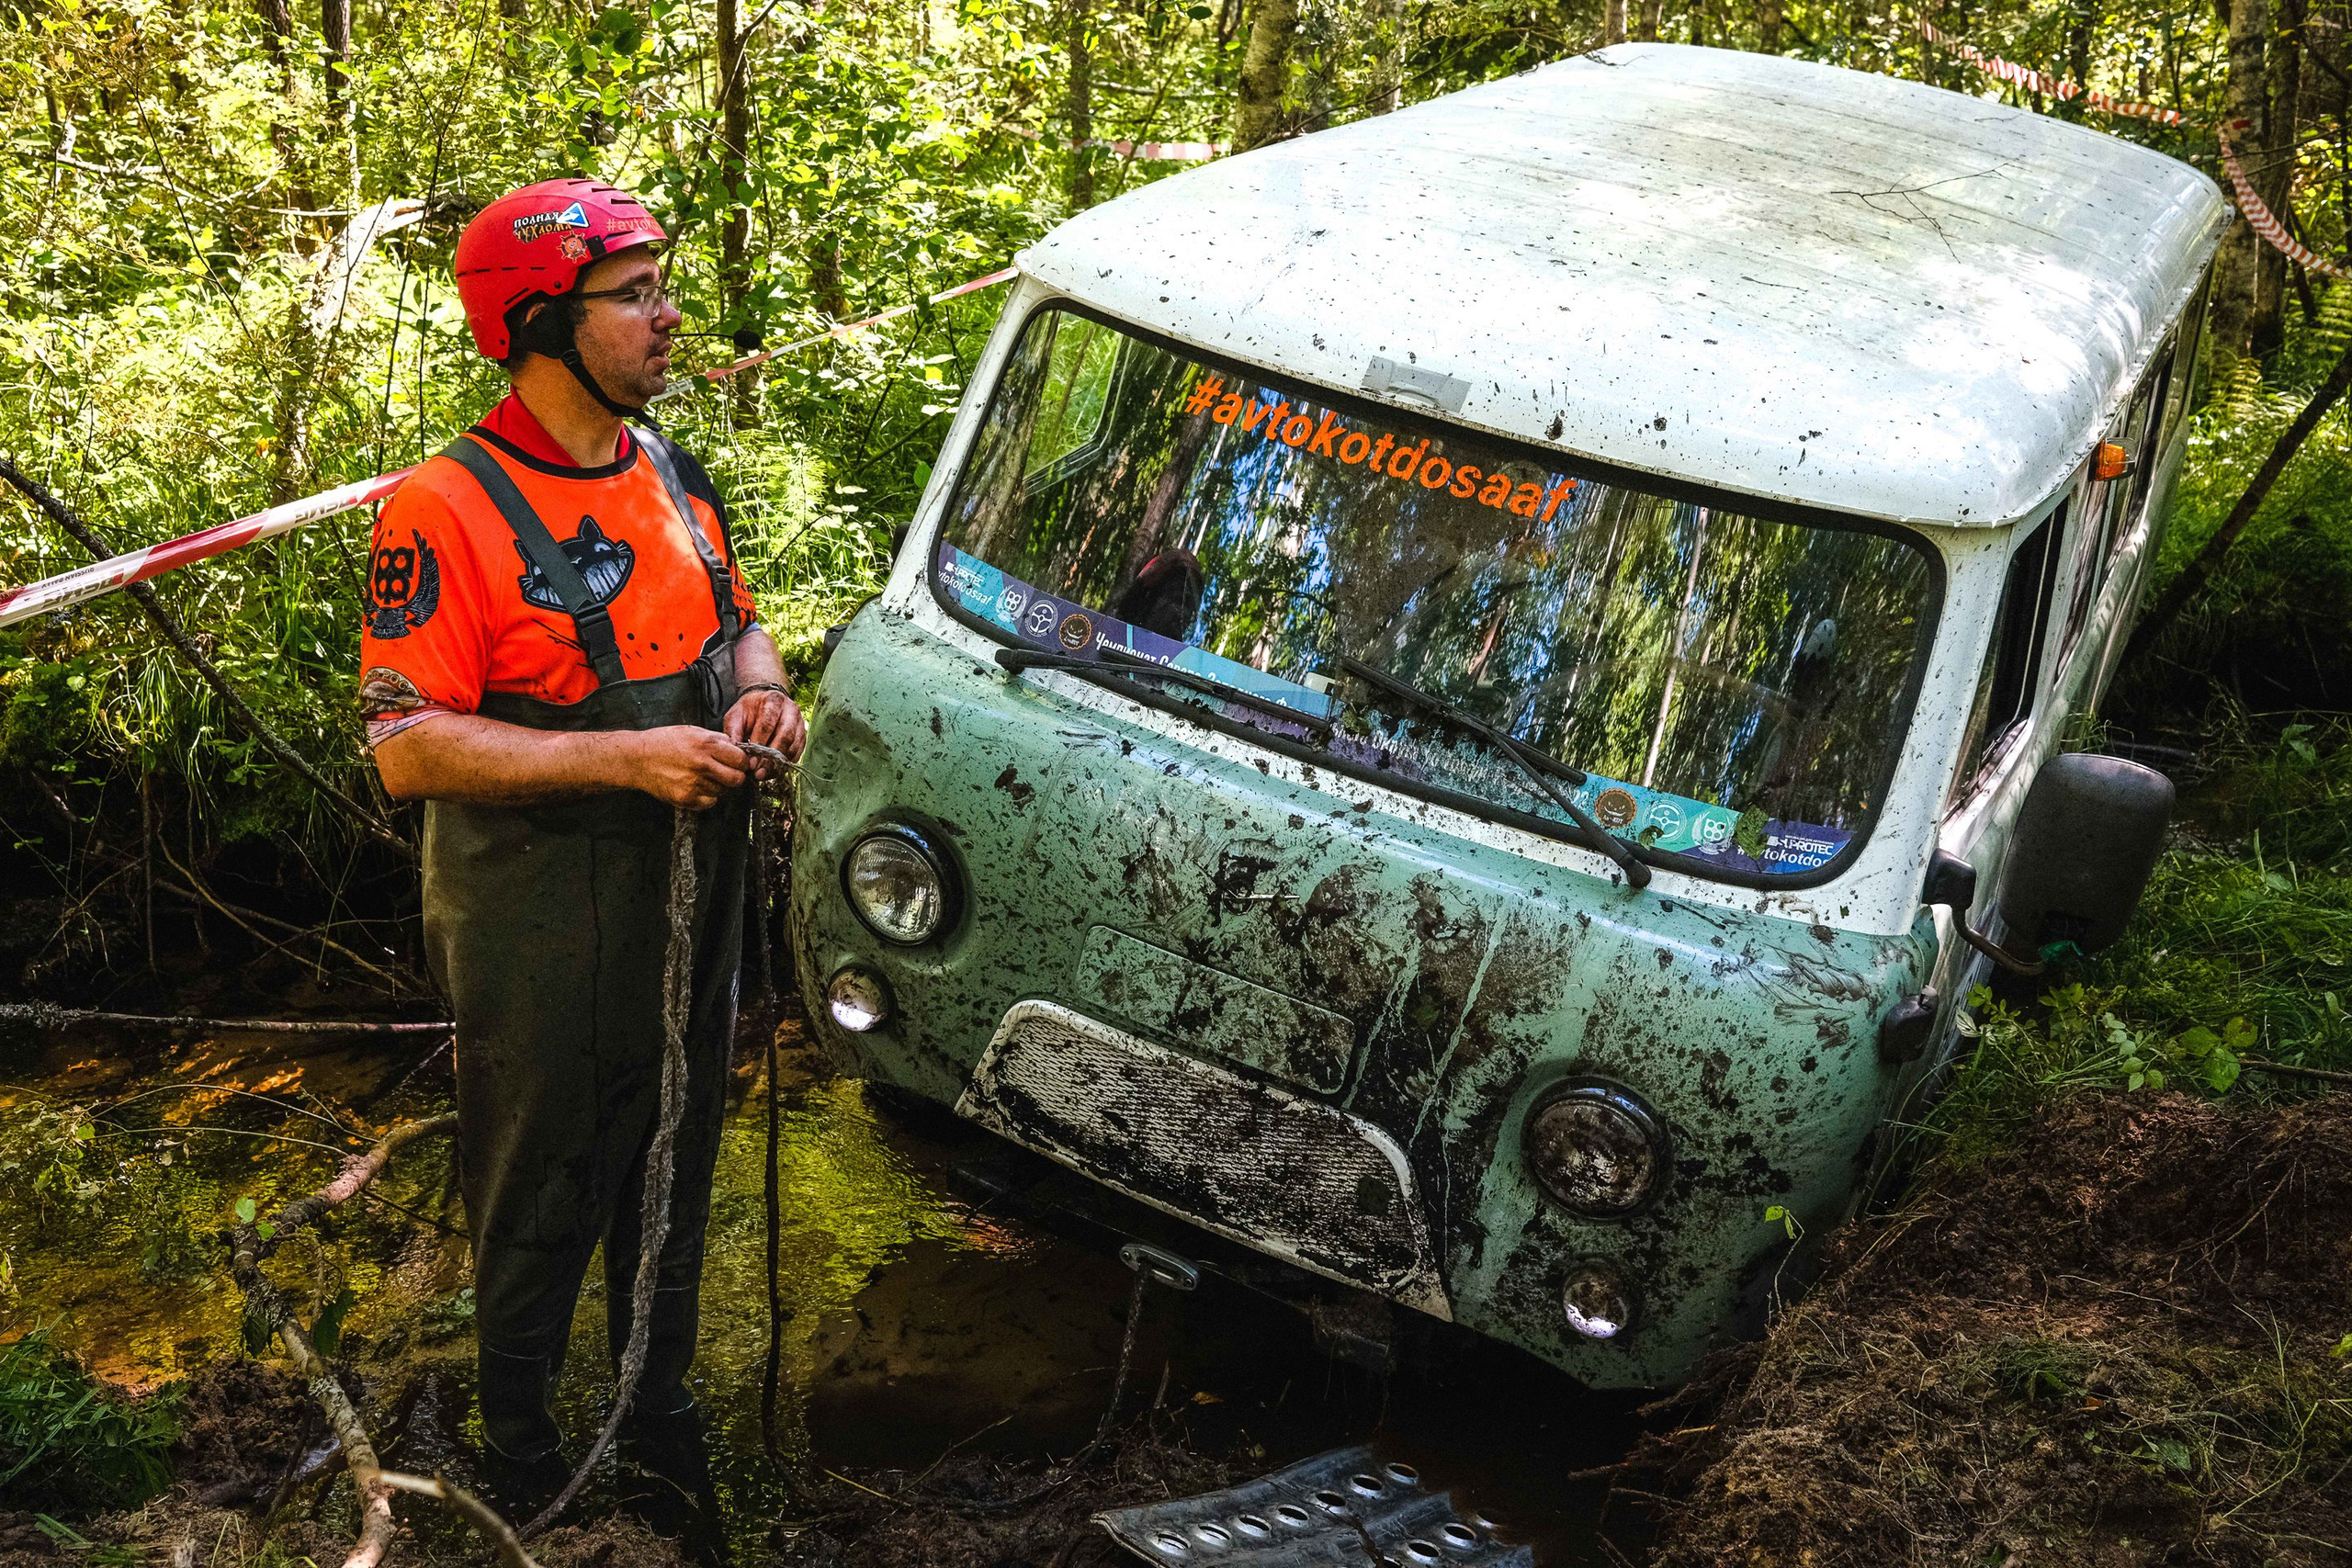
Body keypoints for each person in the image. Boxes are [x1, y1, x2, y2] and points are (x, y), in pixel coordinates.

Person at [357, 178, 806, 1519]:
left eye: (663, 287)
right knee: (544, 1164)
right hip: (538, 903)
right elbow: (405, 746)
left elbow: (737, 623)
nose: (669, 318)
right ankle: (524, 1447)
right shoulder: (443, 509)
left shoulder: (666, 465)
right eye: (636, 296)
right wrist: (624, 755)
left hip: (691, 876)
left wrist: (762, 688)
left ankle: (657, 1414)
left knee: (679, 1140)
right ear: (540, 322)